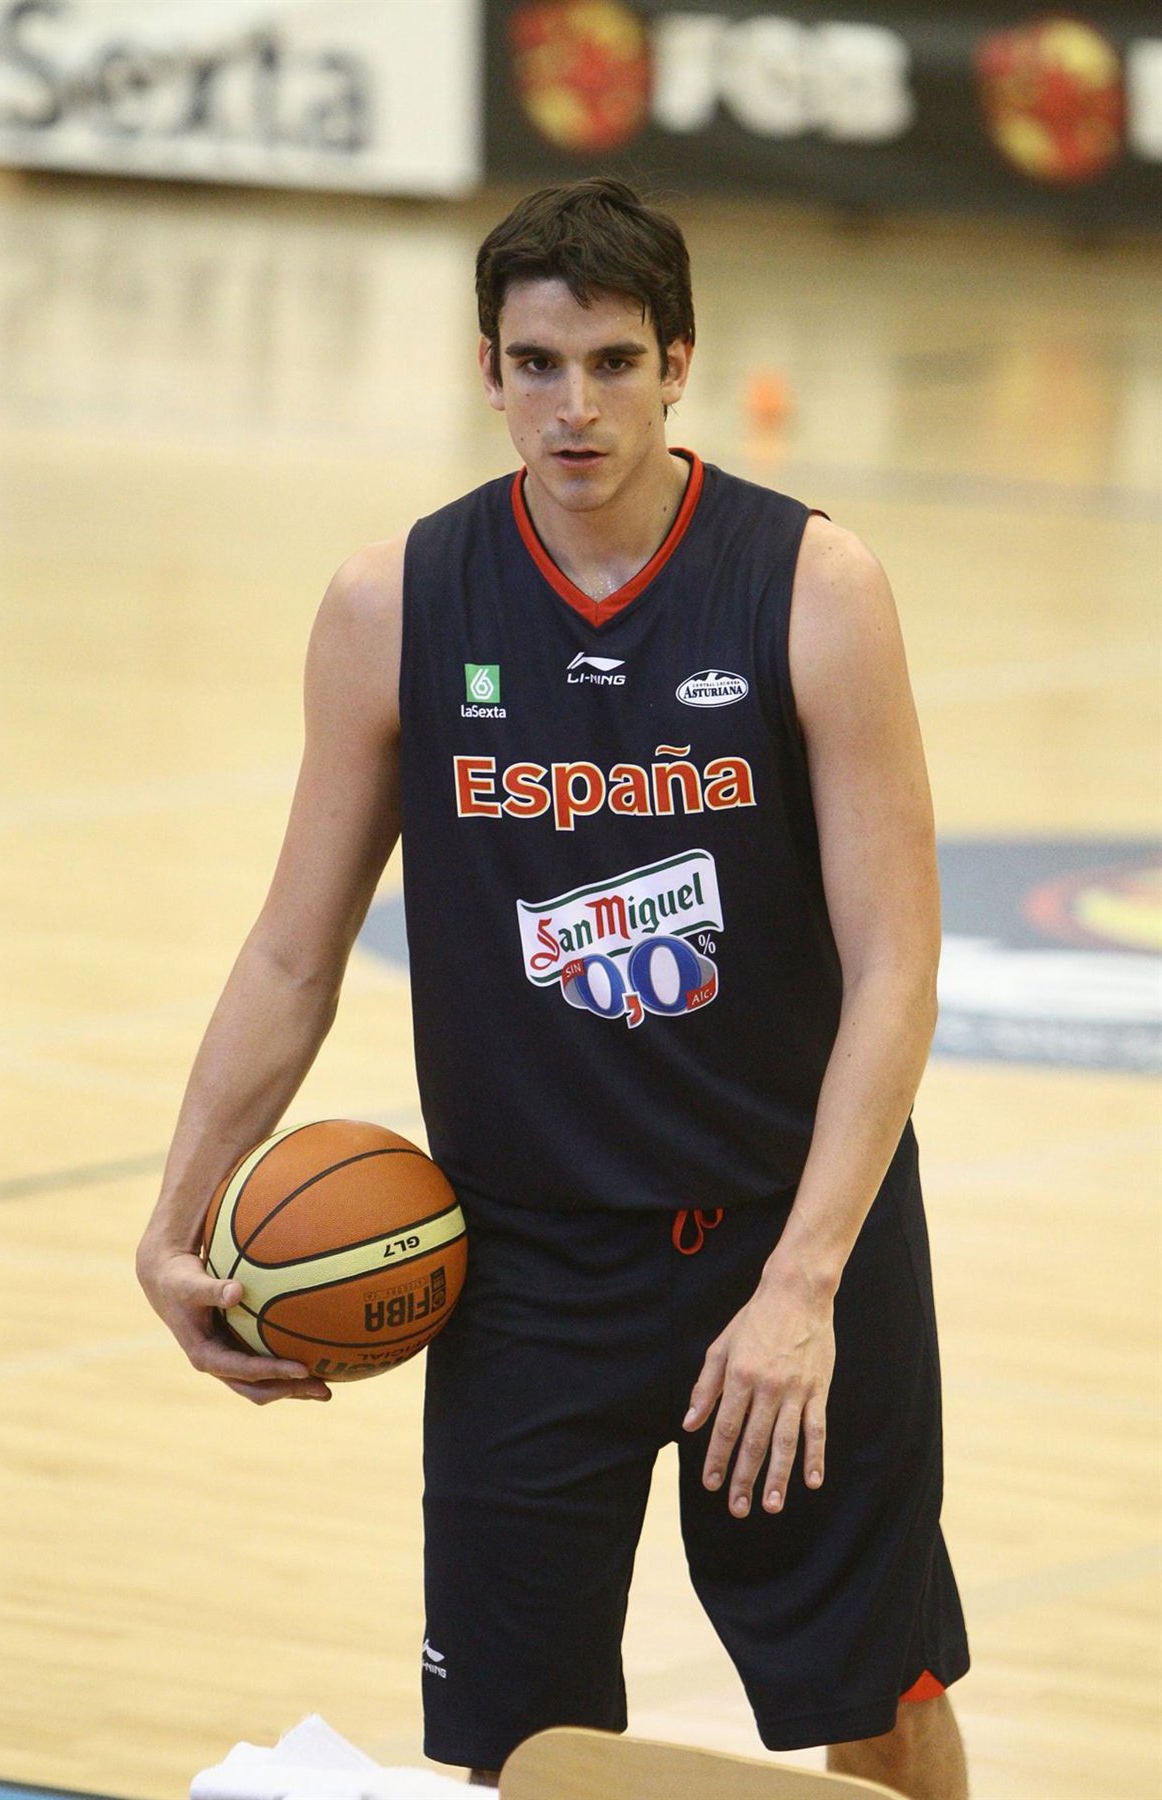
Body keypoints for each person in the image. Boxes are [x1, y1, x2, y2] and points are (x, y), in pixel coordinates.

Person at [136, 177, 970, 1799]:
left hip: (784, 1237)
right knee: (520, 1748)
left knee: (873, 1702)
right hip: (524, 1270)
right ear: (486, 369)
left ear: (679, 365)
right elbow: (294, 952)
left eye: (611, 362)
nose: (573, 406)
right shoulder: (395, 603)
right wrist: (176, 1219)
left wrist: (802, 1288)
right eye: (536, 364)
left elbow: (897, 966)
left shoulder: (813, 586)